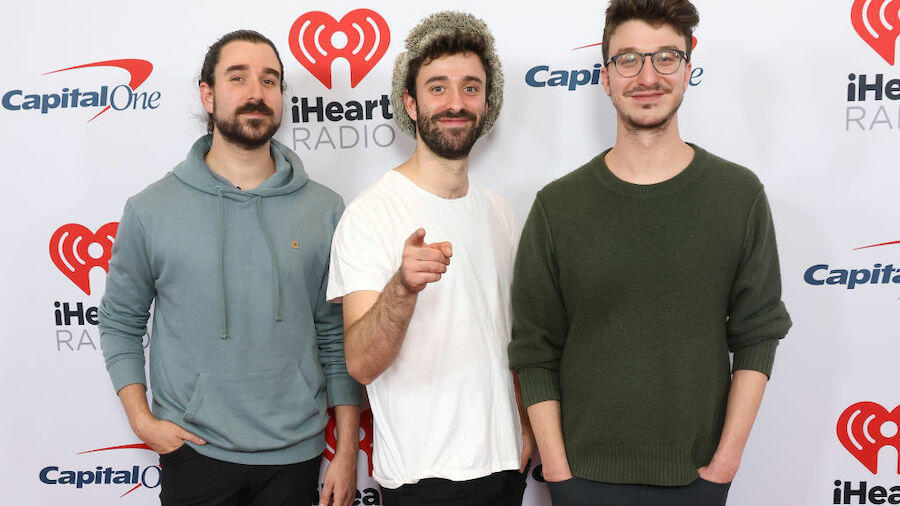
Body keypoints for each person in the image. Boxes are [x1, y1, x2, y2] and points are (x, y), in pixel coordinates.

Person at [508, 1, 792, 505]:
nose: (647, 76)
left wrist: (723, 466)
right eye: (628, 59)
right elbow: (535, 349)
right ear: (605, 77)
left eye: (665, 57)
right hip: (583, 481)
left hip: (697, 480)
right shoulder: (558, 207)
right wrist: (558, 471)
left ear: (687, 69)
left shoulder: (738, 195)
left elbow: (757, 334)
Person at [98, 29, 361, 506]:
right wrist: (141, 420)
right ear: (208, 94)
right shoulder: (151, 209)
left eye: (269, 80)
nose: (256, 93)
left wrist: (345, 452)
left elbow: (335, 335)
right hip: (193, 452)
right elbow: (119, 322)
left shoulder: (324, 209)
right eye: (238, 78)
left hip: (295, 455)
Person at [326, 11, 533, 506]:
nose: (455, 103)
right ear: (410, 104)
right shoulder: (370, 213)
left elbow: (512, 341)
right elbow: (360, 364)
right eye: (437, 88)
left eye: (470, 88)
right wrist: (402, 287)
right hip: (424, 477)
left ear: (487, 103)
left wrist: (525, 427)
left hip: (505, 466)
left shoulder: (500, 212)